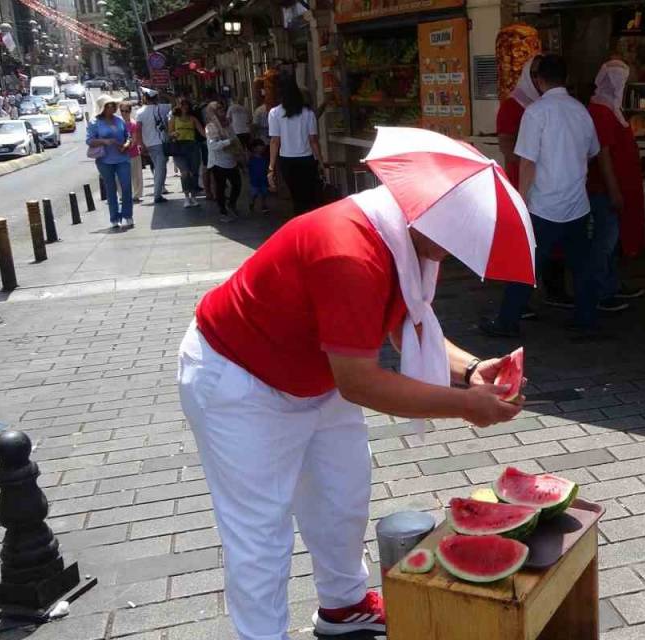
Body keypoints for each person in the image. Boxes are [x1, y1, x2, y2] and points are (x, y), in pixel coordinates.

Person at [177, 180, 527, 639]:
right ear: (424, 210)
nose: (457, 250)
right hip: (240, 379)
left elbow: (407, 322)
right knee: (260, 534)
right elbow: (360, 382)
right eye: (457, 235)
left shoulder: (408, 241)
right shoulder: (350, 250)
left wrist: (472, 370)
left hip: (316, 372)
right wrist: (464, 406)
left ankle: (343, 607)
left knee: (342, 497)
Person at [479, 54, 601, 338]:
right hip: (577, 203)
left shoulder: (536, 112)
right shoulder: (581, 111)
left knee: (526, 265)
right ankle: (586, 318)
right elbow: (593, 151)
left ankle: (507, 321)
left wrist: (520, 200)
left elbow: (527, 161)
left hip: (544, 203)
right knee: (582, 266)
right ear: (565, 78)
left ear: (538, 80)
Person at [587, 58, 645, 310]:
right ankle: (599, 293)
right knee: (605, 241)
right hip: (605, 188)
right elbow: (603, 154)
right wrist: (613, 190)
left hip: (620, 185)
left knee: (612, 241)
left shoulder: (610, 108)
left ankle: (610, 285)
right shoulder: (601, 111)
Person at [268, 75, 323, 214]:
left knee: (295, 195)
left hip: (287, 160)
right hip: (307, 159)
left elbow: (275, 141)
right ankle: (308, 222)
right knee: (308, 195)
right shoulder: (308, 113)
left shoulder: (274, 113)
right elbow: (313, 140)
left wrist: (271, 166)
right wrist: (321, 161)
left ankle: (299, 221)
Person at [86, 95, 135, 230]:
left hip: (122, 158)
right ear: (103, 108)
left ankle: (128, 215)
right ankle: (114, 218)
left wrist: (126, 144)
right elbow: (89, 141)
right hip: (105, 160)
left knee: (126, 187)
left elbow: (128, 136)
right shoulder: (95, 122)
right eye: (109, 106)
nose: (112, 108)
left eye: (113, 105)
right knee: (111, 188)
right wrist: (104, 141)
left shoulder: (119, 120)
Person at [497, 55, 540, 189]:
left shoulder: (552, 103)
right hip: (522, 180)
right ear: (527, 75)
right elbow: (506, 145)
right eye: (535, 74)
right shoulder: (512, 105)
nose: (538, 79)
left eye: (543, 74)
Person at [205, 102, 243, 222]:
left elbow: (234, 137)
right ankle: (223, 212)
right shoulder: (211, 127)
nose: (222, 112)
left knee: (237, 184)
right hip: (218, 162)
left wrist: (239, 149)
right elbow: (213, 146)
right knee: (220, 188)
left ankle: (231, 204)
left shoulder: (227, 124)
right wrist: (228, 142)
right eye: (219, 110)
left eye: (222, 109)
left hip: (231, 159)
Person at [135, 94, 172, 203]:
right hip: (161, 143)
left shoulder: (140, 112)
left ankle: (159, 190)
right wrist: (165, 93)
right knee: (160, 169)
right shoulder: (163, 108)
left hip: (149, 144)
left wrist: (141, 144)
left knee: (160, 167)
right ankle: (157, 195)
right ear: (157, 98)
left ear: (145, 98)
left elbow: (138, 130)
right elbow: (176, 103)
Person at [170, 96, 206, 209]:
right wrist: (173, 134)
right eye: (182, 105)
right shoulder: (174, 119)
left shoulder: (193, 119)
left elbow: (202, 132)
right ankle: (186, 197)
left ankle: (193, 196)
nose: (184, 107)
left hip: (192, 147)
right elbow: (169, 133)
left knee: (194, 172)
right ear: (178, 106)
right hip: (179, 147)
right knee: (185, 172)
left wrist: (211, 136)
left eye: (186, 105)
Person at [120, 102, 144, 203]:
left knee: (136, 175)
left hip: (132, 153)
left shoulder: (133, 124)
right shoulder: (118, 123)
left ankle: (136, 195)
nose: (124, 113)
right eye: (122, 111)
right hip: (120, 154)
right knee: (122, 176)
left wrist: (126, 148)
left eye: (127, 111)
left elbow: (134, 140)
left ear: (130, 111)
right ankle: (123, 195)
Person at [247, 138, 271, 215]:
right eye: (259, 147)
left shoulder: (265, 159)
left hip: (263, 179)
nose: (261, 149)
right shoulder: (250, 159)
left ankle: (263, 205)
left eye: (262, 147)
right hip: (254, 180)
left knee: (264, 193)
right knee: (254, 193)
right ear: (254, 148)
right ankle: (252, 202)